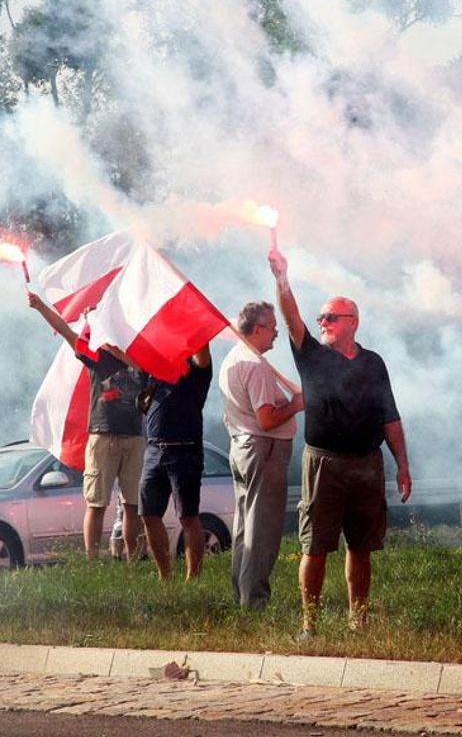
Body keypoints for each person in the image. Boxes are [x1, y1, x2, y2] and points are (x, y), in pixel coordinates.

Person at [268, 249, 411, 636]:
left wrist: (402, 464)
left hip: (367, 463)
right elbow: (291, 318)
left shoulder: (373, 363)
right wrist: (282, 279)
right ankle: (309, 623)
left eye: (331, 317)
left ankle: (358, 619)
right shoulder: (312, 356)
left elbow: (390, 417)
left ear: (353, 322)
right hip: (324, 463)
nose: (323, 322)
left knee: (361, 546)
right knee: (314, 546)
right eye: (322, 318)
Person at [28, 293, 146, 560]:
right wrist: (40, 307)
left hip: (133, 435)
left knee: (132, 504)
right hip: (103, 435)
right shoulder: (97, 357)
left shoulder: (140, 358)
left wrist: (121, 353)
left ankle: (134, 560)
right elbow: (65, 330)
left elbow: (147, 374)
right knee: (96, 502)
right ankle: (92, 561)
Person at [219, 301, 304, 609]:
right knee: (262, 528)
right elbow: (267, 418)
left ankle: (241, 594)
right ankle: (255, 600)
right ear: (257, 329)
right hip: (262, 449)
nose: (276, 333)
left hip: (243, 446)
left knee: (245, 526)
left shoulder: (234, 359)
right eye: (271, 327)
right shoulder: (253, 365)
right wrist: (296, 404)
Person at [139, 345, 213, 581]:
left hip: (184, 451)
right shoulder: (154, 373)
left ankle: (193, 578)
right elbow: (128, 354)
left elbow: (202, 352)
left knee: (188, 517)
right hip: (154, 451)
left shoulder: (196, 369)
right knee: (149, 515)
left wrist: (193, 326)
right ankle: (165, 576)